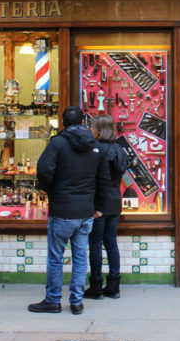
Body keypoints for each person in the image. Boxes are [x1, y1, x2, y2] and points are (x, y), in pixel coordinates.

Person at [29, 106, 110, 315]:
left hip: (62, 210)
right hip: (86, 212)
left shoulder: (57, 143)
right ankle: (76, 301)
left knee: (56, 257)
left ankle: (53, 300)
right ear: (83, 121)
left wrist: (53, 190)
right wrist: (99, 206)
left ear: (63, 121)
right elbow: (104, 180)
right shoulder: (95, 146)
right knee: (80, 256)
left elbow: (44, 171)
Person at [84, 115, 130, 300]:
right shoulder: (119, 149)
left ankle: (96, 286)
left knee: (95, 244)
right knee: (111, 243)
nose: (90, 130)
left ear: (98, 129)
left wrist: (95, 204)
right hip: (115, 201)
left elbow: (94, 179)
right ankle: (113, 287)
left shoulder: (95, 149)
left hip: (99, 203)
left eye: (92, 127)